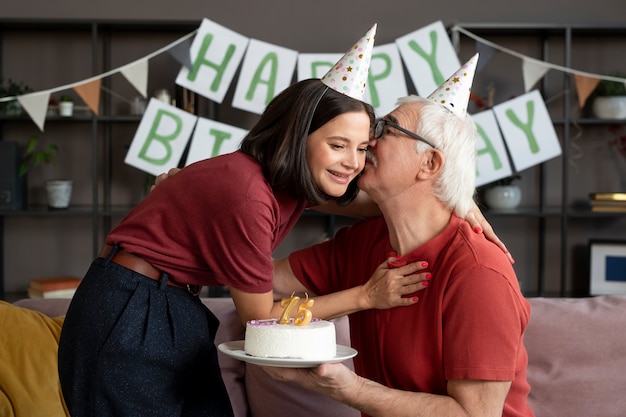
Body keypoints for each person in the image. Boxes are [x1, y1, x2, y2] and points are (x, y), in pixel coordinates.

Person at [57, 25, 429, 417]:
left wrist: (459, 203)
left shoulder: (287, 182)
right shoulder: (249, 196)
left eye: (362, 149)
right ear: (297, 137)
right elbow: (260, 320)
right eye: (338, 146)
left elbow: (381, 205)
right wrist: (366, 297)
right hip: (132, 309)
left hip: (169, 305)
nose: (353, 163)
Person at [266, 54, 535, 417]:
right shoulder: (366, 243)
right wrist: (200, 204)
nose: (367, 142)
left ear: (430, 164)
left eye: (385, 131)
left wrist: (352, 389)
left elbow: (476, 414)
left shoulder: (479, 271)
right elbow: (259, 279)